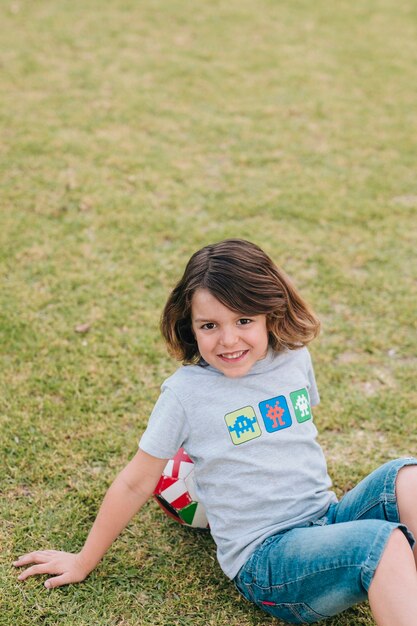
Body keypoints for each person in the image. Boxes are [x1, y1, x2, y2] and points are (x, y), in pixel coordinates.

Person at [14, 239, 417, 625]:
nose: (228, 339)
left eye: (244, 320)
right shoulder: (186, 394)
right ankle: (390, 572)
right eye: (210, 325)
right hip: (268, 559)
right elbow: (136, 482)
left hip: (325, 520)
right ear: (190, 327)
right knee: (383, 544)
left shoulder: (294, 359)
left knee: (407, 475)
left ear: (269, 314)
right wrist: (83, 560)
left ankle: (397, 586)